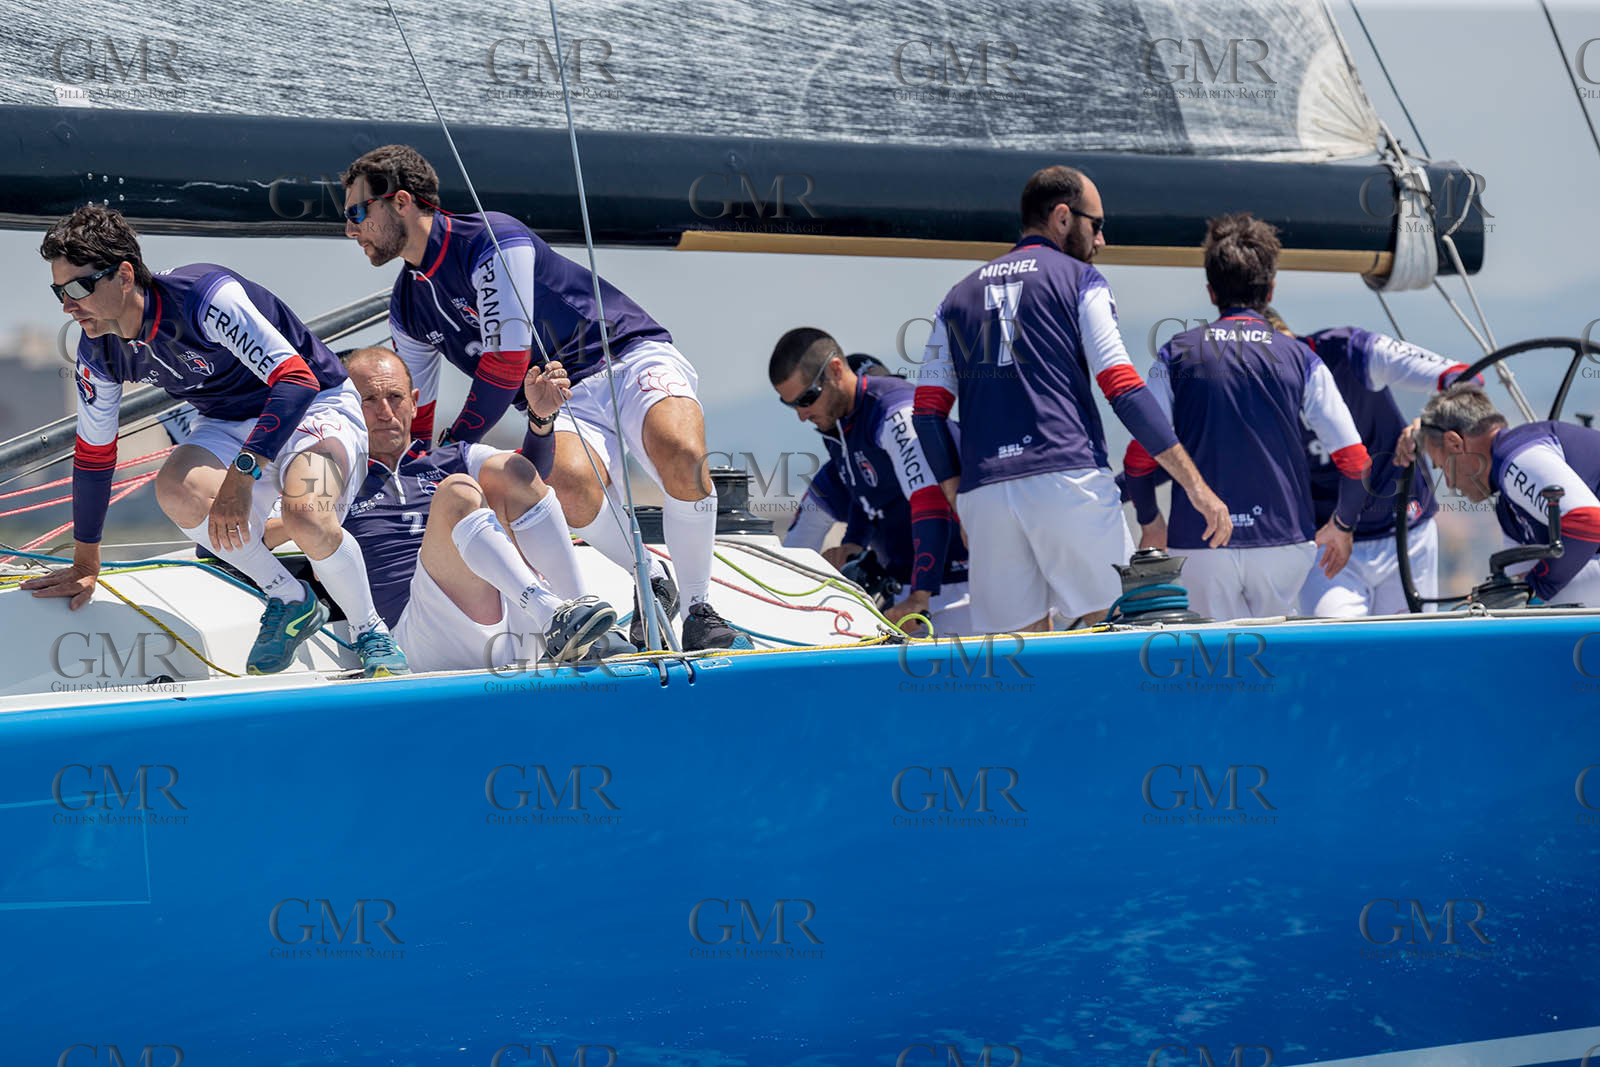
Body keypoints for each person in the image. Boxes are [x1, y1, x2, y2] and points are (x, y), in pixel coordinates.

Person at [341, 144, 744, 650]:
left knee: (680, 453)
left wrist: (458, 445)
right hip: (553, 395)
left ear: (400, 202)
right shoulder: (407, 304)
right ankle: (653, 577)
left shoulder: (492, 238)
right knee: (565, 482)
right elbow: (414, 421)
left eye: (357, 212)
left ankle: (700, 608)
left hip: (624, 355)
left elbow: (507, 362)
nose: (351, 230)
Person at [26, 205, 408, 677]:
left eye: (79, 287)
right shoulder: (99, 352)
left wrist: (241, 477)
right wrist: (86, 560)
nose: (68, 304)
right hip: (230, 422)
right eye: (58, 291)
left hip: (316, 406)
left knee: (307, 513)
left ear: (124, 275)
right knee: (177, 492)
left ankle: (374, 633)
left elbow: (296, 381)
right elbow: (94, 456)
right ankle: (288, 597)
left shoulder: (204, 298)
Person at [912, 165, 1230, 633]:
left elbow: (926, 414)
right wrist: (1196, 487)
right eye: (1096, 225)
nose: (1101, 240)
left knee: (1017, 662)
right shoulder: (1080, 280)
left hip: (986, 497)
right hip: (1066, 480)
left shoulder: (955, 297)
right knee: (1120, 634)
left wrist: (960, 498)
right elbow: (1122, 387)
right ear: (1062, 217)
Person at [277, 348, 617, 672]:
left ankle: (579, 617)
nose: (385, 412)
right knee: (457, 492)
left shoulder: (453, 457)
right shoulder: (333, 479)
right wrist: (317, 516)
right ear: (348, 408)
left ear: (413, 404)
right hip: (418, 638)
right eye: (368, 400)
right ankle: (552, 615)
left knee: (507, 471)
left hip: (509, 619)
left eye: (395, 398)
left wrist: (540, 420)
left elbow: (532, 478)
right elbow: (270, 530)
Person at [1123, 213, 1370, 620]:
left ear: (1210, 291)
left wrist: (1150, 521)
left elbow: (1138, 458)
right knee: (1271, 663)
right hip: (1283, 543)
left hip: (1199, 544)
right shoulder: (1301, 356)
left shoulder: (1174, 353)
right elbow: (1356, 461)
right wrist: (1342, 525)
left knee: (1213, 665)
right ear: (1270, 290)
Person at [1259, 306, 1478, 616]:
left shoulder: (1353, 350)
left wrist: (1428, 425)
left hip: (1405, 533)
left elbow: (1465, 377)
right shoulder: (1251, 391)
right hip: (1326, 545)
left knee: (1408, 653)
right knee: (1338, 653)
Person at [769, 329, 970, 633]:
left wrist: (920, 597)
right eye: (791, 404)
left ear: (836, 370)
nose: (801, 414)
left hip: (956, 590)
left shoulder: (895, 413)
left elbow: (931, 503)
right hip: (908, 591)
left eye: (806, 398)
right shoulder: (838, 424)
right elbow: (869, 494)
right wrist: (853, 546)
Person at [1398, 384, 1600, 606]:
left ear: (1455, 443)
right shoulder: (1508, 506)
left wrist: (1536, 591)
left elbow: (1588, 522)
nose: (1449, 483)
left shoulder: (1514, 454)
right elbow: (1516, 584)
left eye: (1442, 466)